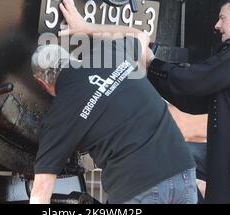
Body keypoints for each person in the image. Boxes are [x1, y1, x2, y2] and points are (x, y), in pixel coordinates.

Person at [58, 0, 230, 204]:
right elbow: (193, 100)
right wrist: (149, 73)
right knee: (172, 153)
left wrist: (153, 62)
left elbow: (194, 80)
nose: (217, 25)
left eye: (222, 18)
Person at [29, 37, 197, 204]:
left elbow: (41, 190)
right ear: (69, 57)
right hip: (182, 169)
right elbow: (143, 38)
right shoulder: (108, 52)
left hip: (138, 186)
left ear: (42, 83)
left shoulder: (59, 114)